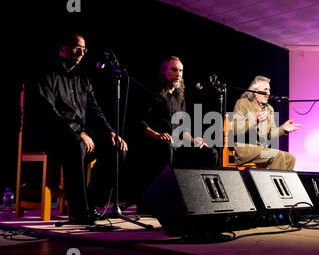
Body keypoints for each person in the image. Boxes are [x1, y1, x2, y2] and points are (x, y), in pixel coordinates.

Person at [24, 31, 128, 224]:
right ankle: (78, 210)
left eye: (83, 49)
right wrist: (76, 131)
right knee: (75, 143)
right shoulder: (47, 73)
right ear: (62, 48)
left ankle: (91, 202)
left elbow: (96, 111)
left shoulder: (84, 80)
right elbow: (47, 111)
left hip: (77, 137)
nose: (80, 52)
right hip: (50, 133)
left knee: (117, 150)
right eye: (76, 47)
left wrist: (110, 132)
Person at [128, 56, 218, 199]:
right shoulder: (153, 93)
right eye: (174, 70)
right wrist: (157, 134)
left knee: (210, 152)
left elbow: (183, 129)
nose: (178, 74)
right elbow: (140, 121)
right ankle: (163, 199)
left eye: (181, 71)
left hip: (177, 144)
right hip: (156, 142)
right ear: (164, 72)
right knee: (166, 147)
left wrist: (194, 140)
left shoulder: (179, 97)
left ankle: (199, 199)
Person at [232, 75, 300, 170]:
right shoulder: (243, 103)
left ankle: (284, 184)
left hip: (262, 149)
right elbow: (235, 130)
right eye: (265, 90)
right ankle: (274, 184)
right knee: (278, 155)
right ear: (255, 92)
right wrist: (254, 121)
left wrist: (283, 129)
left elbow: (270, 136)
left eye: (269, 90)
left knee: (290, 158)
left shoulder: (269, 109)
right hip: (246, 150)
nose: (268, 93)